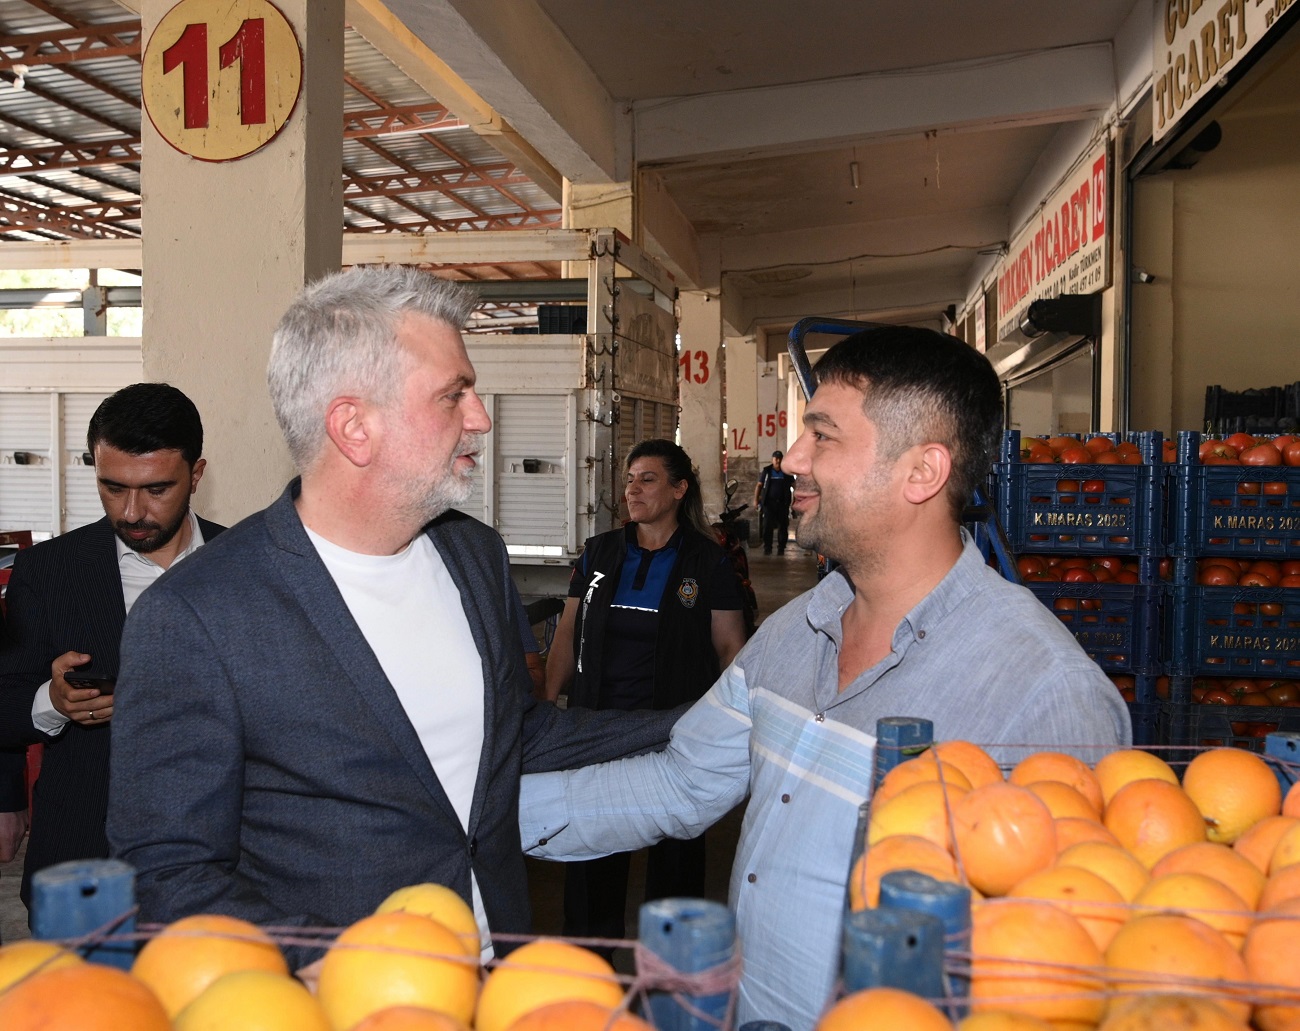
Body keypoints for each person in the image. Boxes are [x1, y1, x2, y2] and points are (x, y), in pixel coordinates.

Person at [520, 326, 1132, 1030]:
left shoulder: (1042, 691)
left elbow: (1065, 959)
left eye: (824, 436)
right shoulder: (793, 633)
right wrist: (475, 812)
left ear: (922, 471)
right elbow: (681, 780)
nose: (793, 460)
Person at [105, 266, 681, 963]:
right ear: (354, 426)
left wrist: (690, 724)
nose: (481, 417)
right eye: (453, 395)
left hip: (503, 976)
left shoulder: (473, 556)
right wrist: (340, 968)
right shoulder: (196, 617)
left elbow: (515, 734)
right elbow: (168, 870)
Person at [0, 384, 222, 911]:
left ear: (196, 474)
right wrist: (51, 702)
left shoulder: (249, 564)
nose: (132, 511)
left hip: (224, 868)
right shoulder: (48, 572)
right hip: (82, 862)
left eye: (156, 489)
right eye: (112, 487)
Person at [544, 438, 746, 953]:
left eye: (647, 479)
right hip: (596, 732)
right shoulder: (600, 552)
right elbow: (567, 634)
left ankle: (672, 974)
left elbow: (730, 650)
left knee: (675, 861)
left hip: (671, 735)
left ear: (679, 489)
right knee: (591, 856)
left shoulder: (707, 561)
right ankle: (590, 970)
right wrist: (547, 703)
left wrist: (724, 729)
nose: (632, 489)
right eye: (630, 478)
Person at [754, 449, 794, 554]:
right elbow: (759, 486)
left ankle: (781, 548)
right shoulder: (766, 471)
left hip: (783, 503)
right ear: (772, 460)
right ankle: (767, 548)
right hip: (768, 504)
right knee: (767, 526)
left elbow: (795, 486)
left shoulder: (787, 473)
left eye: (780, 458)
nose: (778, 461)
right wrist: (756, 500)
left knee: (783, 526)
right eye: (776, 458)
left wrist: (795, 501)